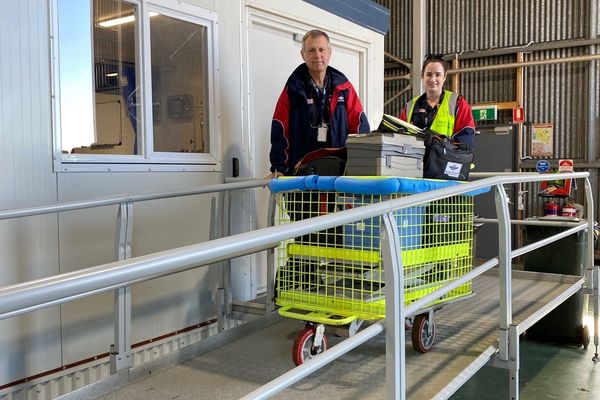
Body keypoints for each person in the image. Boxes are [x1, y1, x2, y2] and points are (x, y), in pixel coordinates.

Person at [268, 29, 370, 178]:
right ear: (303, 55)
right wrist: (279, 169)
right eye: (311, 50)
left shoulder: (344, 88)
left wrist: (362, 164)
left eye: (322, 49)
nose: (317, 55)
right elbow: (280, 130)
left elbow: (360, 127)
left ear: (329, 52)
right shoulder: (293, 89)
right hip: (302, 173)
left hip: (339, 172)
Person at [399, 54, 475, 147]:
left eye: (438, 75)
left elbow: (465, 141)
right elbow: (400, 138)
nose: (433, 79)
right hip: (415, 156)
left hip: (446, 156)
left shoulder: (458, 103)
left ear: (444, 77)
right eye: (429, 74)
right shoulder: (410, 107)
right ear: (422, 76)